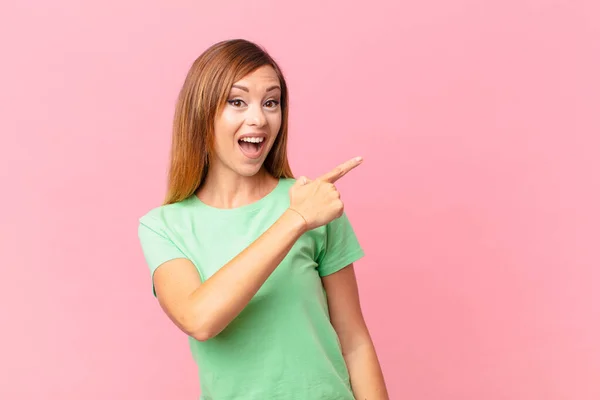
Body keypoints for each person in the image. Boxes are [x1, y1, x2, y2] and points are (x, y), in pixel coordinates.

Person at [137, 39, 389, 400]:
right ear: (201, 112)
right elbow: (199, 319)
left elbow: (355, 342)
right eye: (237, 101)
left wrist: (304, 212)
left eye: (271, 102)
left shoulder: (313, 201)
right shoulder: (164, 227)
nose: (258, 118)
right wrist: (295, 219)